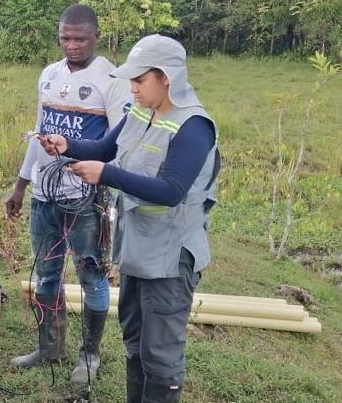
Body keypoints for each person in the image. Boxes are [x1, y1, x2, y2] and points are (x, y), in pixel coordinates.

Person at [37, 34, 220, 402]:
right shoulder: (141, 111)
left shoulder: (194, 127)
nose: (132, 88)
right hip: (138, 247)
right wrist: (67, 145)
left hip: (170, 257)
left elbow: (171, 191)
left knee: (160, 354)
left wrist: (105, 174)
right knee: (135, 341)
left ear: (165, 77)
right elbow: (105, 148)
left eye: (139, 80)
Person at [4, 4, 131, 384]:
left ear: (96, 36)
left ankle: (89, 354)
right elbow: (39, 133)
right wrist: (21, 184)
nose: (72, 45)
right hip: (45, 195)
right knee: (46, 273)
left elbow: (117, 144)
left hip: (85, 199)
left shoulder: (112, 79)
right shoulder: (49, 75)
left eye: (80, 38)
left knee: (91, 275)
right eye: (65, 38)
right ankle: (49, 346)